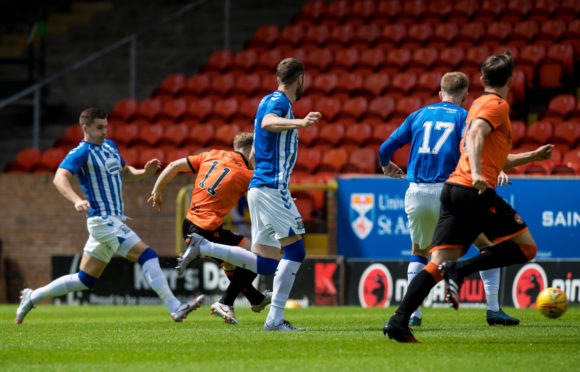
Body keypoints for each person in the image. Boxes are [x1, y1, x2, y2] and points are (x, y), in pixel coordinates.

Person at [384, 51, 554, 343]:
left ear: (481, 79)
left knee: (434, 261)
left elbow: (487, 150)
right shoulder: (495, 105)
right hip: (472, 190)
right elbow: (475, 136)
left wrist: (533, 156)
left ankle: (399, 320)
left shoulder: (476, 105)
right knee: (526, 248)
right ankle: (464, 274)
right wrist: (477, 171)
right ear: (511, 81)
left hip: (451, 189)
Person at [15, 108, 205, 325]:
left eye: (106, 126)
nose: (104, 131)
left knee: (84, 280)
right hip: (102, 221)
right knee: (148, 255)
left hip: (114, 220)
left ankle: (32, 296)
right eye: (99, 127)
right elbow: (59, 177)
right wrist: (76, 200)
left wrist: (144, 172)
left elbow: (125, 172)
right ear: (85, 128)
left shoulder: (110, 146)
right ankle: (175, 306)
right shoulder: (81, 152)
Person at [176, 58, 321, 331]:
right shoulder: (279, 104)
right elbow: (267, 124)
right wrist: (300, 122)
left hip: (259, 186)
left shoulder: (265, 100)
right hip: (271, 186)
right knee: (296, 250)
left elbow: (255, 147)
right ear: (300, 78)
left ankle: (205, 247)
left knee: (266, 264)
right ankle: (275, 320)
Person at [379, 72, 518, 327]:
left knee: (419, 252)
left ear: (440, 93)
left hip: (417, 191)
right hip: (449, 191)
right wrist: (498, 170)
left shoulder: (418, 115)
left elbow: (384, 148)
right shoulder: (464, 117)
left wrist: (386, 165)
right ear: (465, 97)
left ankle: (412, 314)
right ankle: (493, 309)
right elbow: (479, 149)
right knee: (487, 245)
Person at [148, 132, 271, 325]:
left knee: (231, 264)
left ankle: (255, 299)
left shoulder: (210, 154)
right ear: (251, 151)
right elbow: (261, 203)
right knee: (257, 258)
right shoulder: (247, 175)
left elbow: (172, 166)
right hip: (206, 230)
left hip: (190, 223)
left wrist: (157, 192)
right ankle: (225, 303)